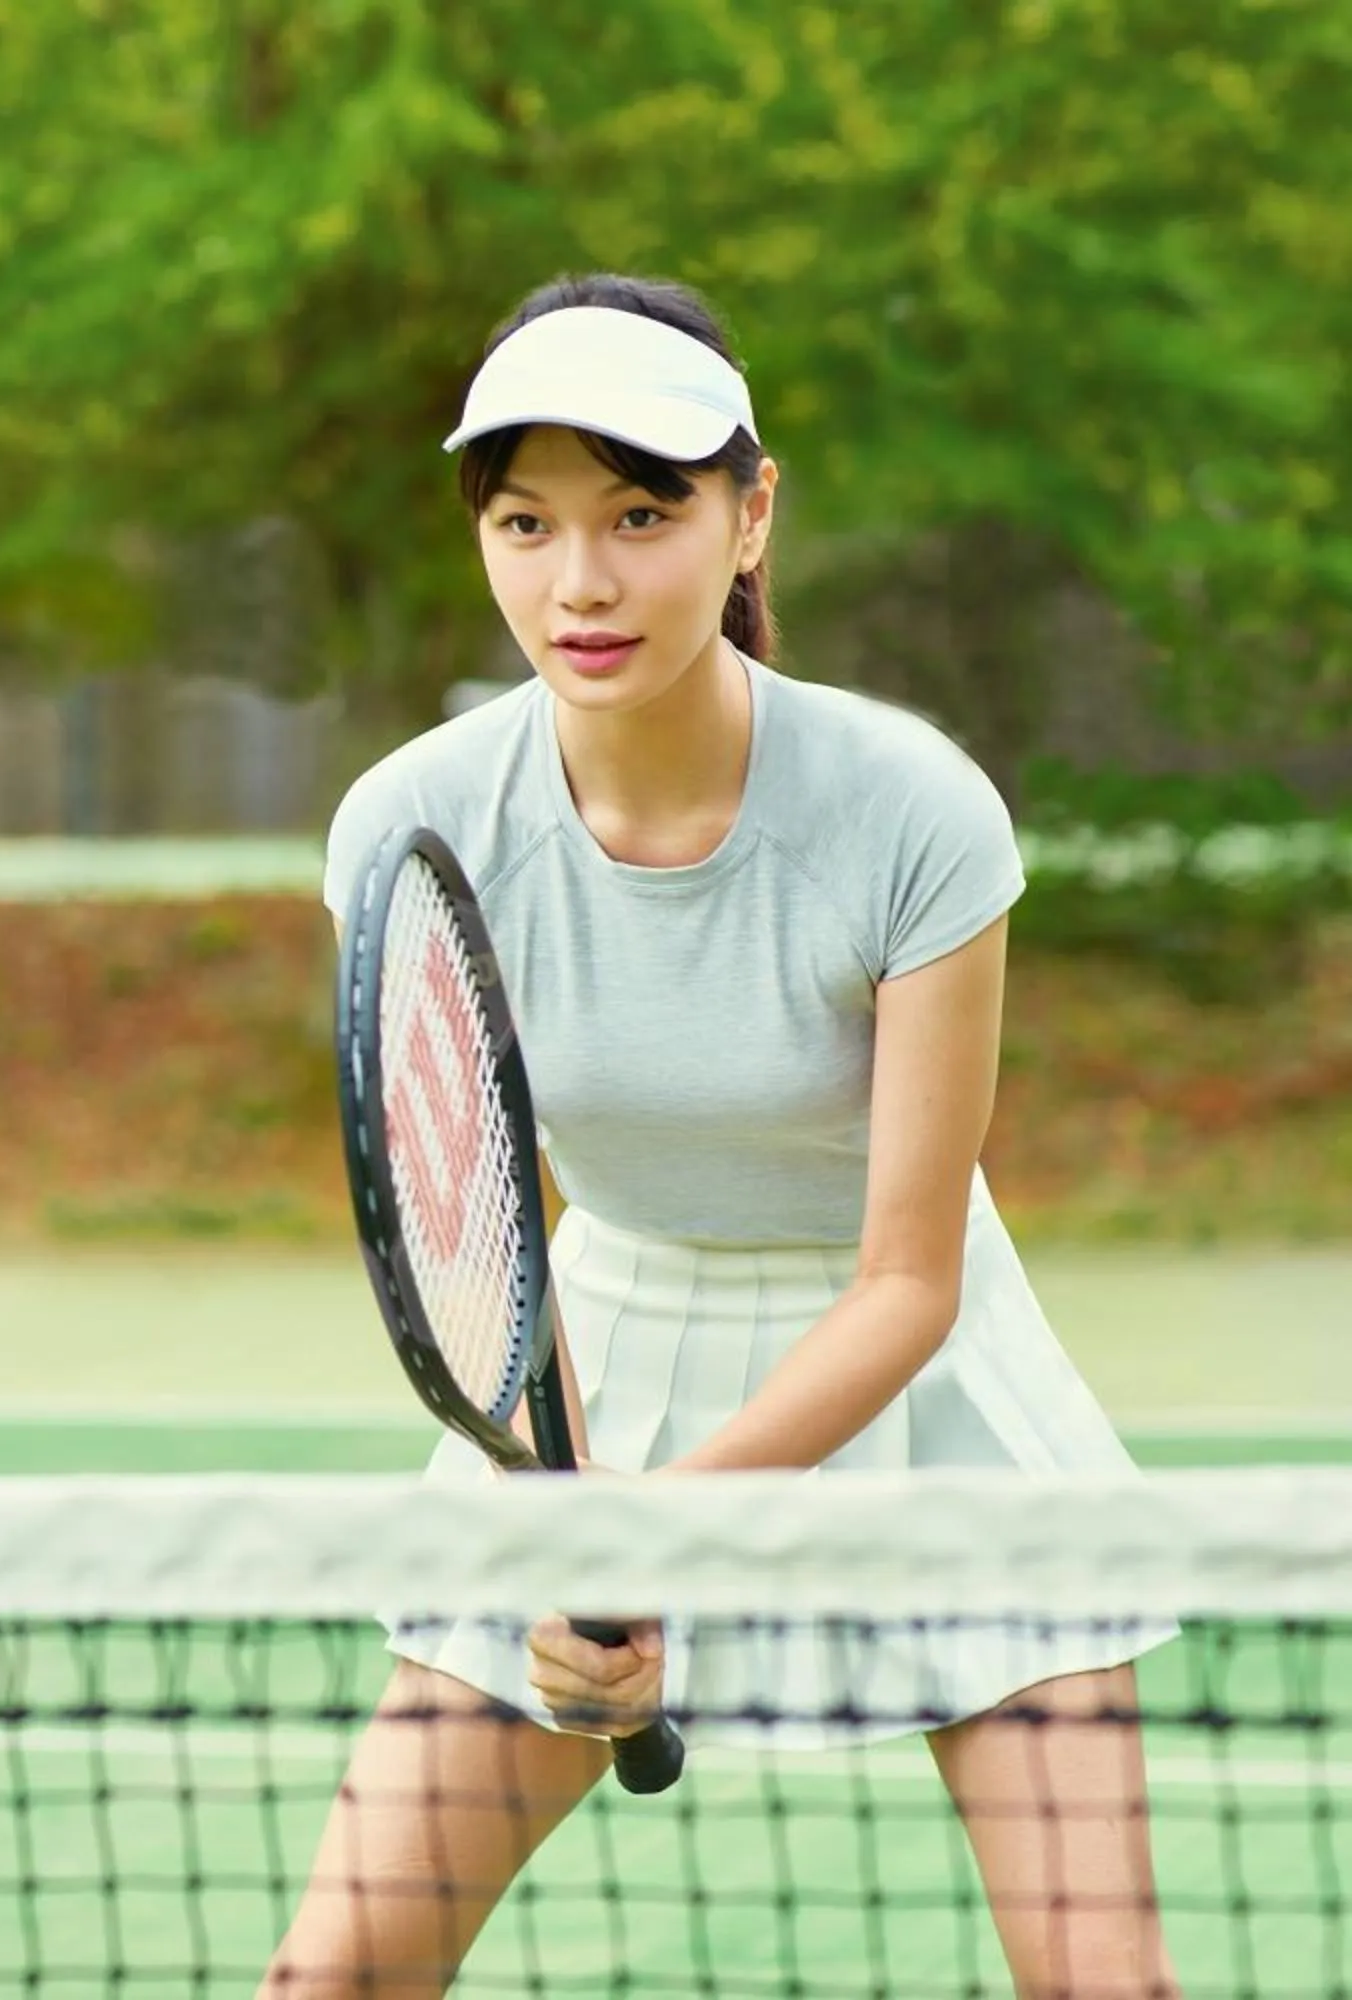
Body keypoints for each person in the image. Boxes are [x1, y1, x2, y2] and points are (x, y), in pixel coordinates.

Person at [266, 277, 1177, 1996]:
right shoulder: (413, 823)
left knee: (1105, 1982)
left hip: (933, 1386)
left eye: (642, 514)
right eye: (526, 523)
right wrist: (576, 1518)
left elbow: (908, 1280)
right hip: (591, 1359)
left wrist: (665, 1530)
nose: (580, 582)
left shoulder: (911, 811)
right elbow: (484, 1242)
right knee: (335, 1974)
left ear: (752, 516)